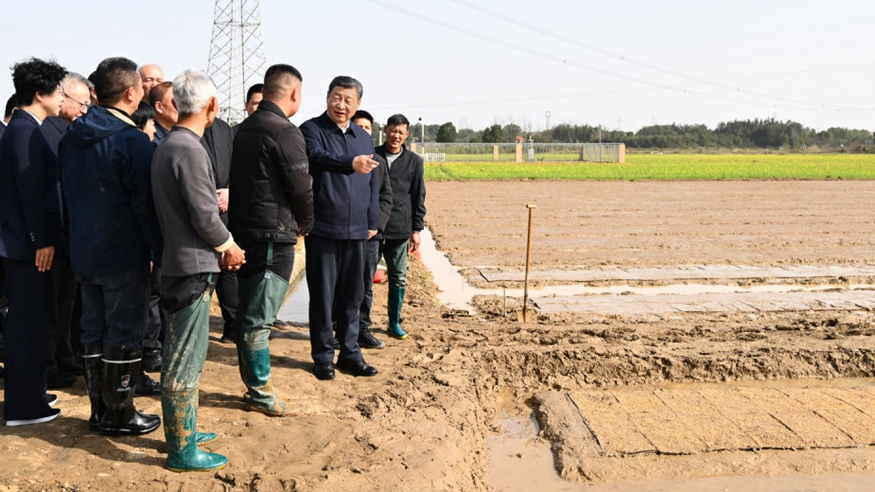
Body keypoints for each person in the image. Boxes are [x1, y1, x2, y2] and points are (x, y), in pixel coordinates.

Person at [59, 56, 163, 436]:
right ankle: (120, 412)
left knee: (92, 330)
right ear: (132, 93)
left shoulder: (72, 137)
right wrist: (157, 251)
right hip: (123, 253)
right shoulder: (132, 142)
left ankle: (98, 409)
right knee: (123, 333)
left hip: (85, 249)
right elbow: (145, 207)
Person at [152, 68, 245, 472]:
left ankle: (184, 431)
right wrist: (229, 245)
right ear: (211, 106)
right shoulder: (190, 149)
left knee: (179, 353)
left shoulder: (172, 143)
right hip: (191, 266)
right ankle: (182, 449)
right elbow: (205, 216)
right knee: (183, 361)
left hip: (178, 262)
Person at [229, 64, 313, 413]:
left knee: (249, 312)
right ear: (294, 93)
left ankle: (253, 386)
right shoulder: (284, 131)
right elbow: (301, 186)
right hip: (271, 235)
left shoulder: (244, 128)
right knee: (258, 319)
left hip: (245, 231)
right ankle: (260, 392)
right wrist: (306, 223)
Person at [0, 57, 67, 426]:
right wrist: (41, 239)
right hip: (27, 248)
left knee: (34, 322)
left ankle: (33, 392)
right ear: (39, 93)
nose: (61, 98)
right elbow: (29, 192)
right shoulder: (25, 132)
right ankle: (24, 407)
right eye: (58, 91)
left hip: (25, 244)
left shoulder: (28, 127)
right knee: (26, 326)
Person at [300, 76, 380, 381]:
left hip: (358, 229)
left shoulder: (364, 137)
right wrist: (350, 162)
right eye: (336, 97)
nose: (341, 105)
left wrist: (372, 221)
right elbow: (316, 158)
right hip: (324, 228)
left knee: (353, 295)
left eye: (348, 100)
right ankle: (322, 356)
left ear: (358, 103)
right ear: (327, 98)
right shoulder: (312, 130)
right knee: (323, 296)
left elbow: (373, 183)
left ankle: (350, 353)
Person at [40, 72, 91, 390]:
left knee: (67, 299)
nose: (85, 109)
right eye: (81, 103)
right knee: (50, 302)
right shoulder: (47, 131)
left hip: (71, 231)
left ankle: (64, 354)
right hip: (52, 231)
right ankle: (48, 362)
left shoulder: (71, 131)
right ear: (64, 97)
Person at [341, 109, 392, 349]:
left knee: (365, 285)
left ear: (372, 131)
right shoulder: (341, 159)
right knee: (339, 283)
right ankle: (337, 330)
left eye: (367, 128)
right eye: (358, 127)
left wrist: (375, 226)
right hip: (344, 232)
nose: (362, 131)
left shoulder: (379, 163)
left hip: (370, 236)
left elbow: (386, 198)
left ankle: (362, 329)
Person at [375, 114, 427, 339]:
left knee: (398, 277)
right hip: (373, 227)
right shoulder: (373, 155)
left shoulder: (414, 162)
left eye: (401, 132)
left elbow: (418, 197)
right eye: (392, 130)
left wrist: (416, 229)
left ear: (406, 135)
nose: (396, 135)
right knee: (363, 277)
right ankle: (360, 324)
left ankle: (394, 322)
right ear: (385, 130)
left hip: (399, 227)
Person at [200, 114, 238, 343]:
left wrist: (229, 191)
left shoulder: (225, 129)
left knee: (228, 271)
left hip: (224, 211)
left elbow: (239, 165)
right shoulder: (184, 128)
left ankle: (233, 325)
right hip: (199, 212)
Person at [149, 81, 176, 145]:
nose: (182, 107)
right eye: (176, 102)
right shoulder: (150, 139)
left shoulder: (183, 134)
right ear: (159, 107)